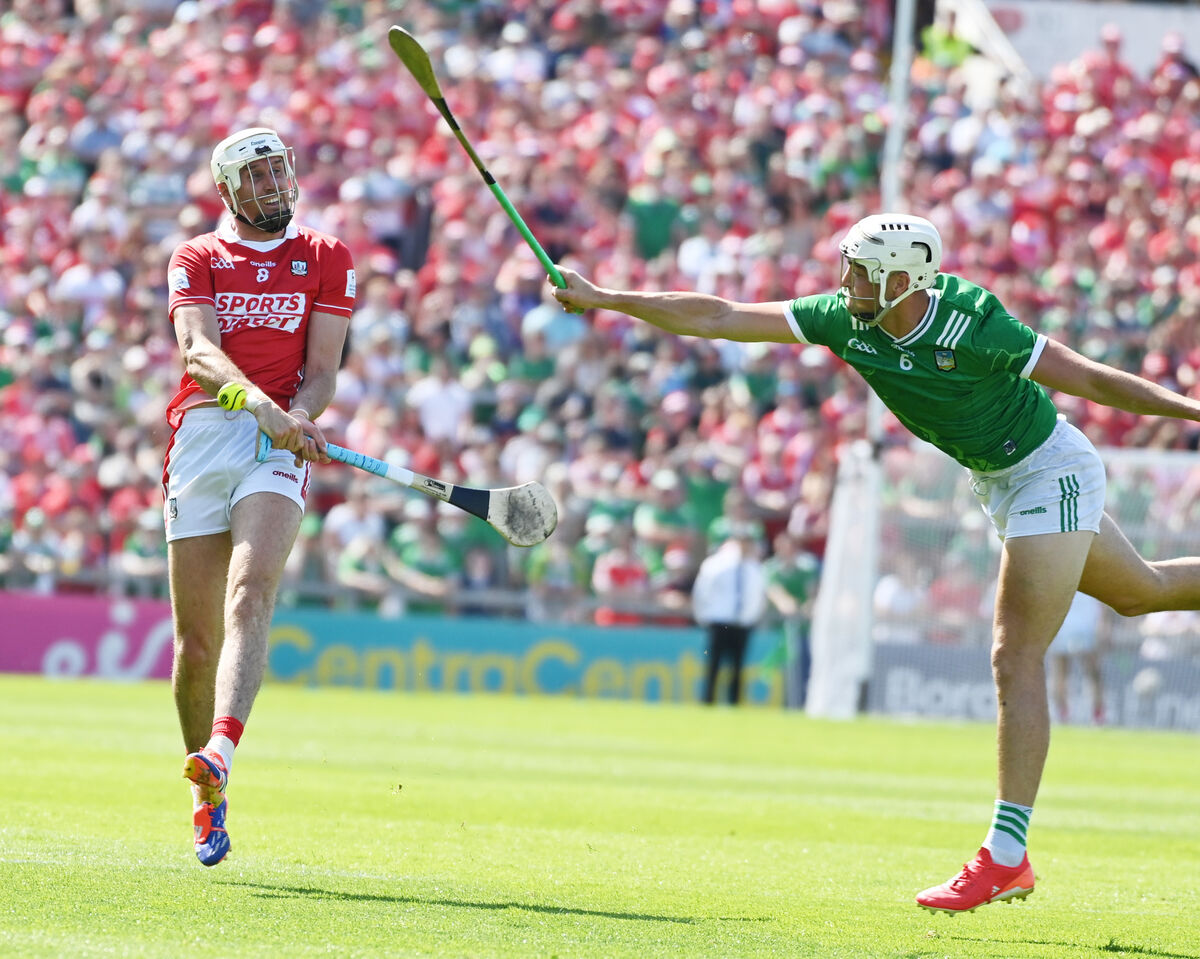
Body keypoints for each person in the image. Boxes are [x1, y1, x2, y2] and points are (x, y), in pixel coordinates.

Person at [551, 212, 1200, 913]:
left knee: (1014, 655)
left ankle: (1006, 856)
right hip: (998, 482)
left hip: (1051, 469)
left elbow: (1092, 379)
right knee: (1141, 591)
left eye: (860, 271)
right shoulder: (844, 320)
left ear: (902, 280)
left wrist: (1193, 411)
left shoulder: (975, 321)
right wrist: (607, 297)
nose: (846, 282)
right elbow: (721, 315)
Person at [164, 127, 356, 866]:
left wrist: (299, 415)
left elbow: (323, 369)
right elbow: (197, 351)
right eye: (258, 177)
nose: (275, 186)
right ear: (228, 192)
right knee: (195, 645)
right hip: (205, 433)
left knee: (251, 591)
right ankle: (206, 797)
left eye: (280, 171)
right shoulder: (197, 257)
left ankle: (221, 748)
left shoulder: (328, 256)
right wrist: (256, 402)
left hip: (278, 445)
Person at [691, 525, 767, 705]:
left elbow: (758, 596)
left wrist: (752, 617)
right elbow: (702, 592)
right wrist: (702, 615)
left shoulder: (754, 567)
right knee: (714, 663)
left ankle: (734, 702)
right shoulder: (717, 564)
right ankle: (708, 700)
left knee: (738, 665)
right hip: (720, 620)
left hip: (742, 622)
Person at [1049, 591, 1107, 725]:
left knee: (1093, 673)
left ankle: (1098, 714)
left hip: (1087, 625)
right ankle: (1062, 713)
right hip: (1063, 625)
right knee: (1060, 672)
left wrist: (1102, 623)